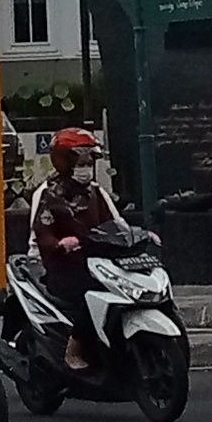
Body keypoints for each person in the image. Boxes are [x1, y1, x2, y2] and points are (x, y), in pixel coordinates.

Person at [29, 126, 121, 372]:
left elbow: (116, 223)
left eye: (89, 161)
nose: (85, 167)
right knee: (91, 295)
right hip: (61, 266)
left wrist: (140, 236)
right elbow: (42, 233)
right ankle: (74, 349)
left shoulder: (97, 193)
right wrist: (60, 244)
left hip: (98, 262)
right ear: (63, 161)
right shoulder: (50, 195)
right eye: (80, 161)